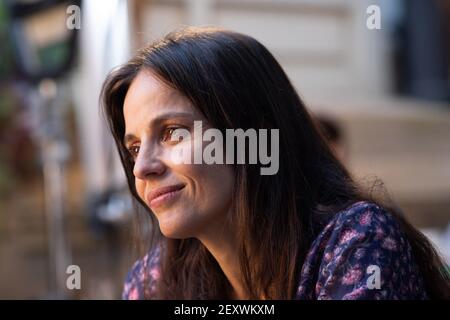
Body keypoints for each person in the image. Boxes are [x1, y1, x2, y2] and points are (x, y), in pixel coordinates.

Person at [101, 27, 449, 299]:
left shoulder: (354, 243)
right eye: (133, 147)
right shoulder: (152, 282)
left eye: (172, 133)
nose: (141, 168)